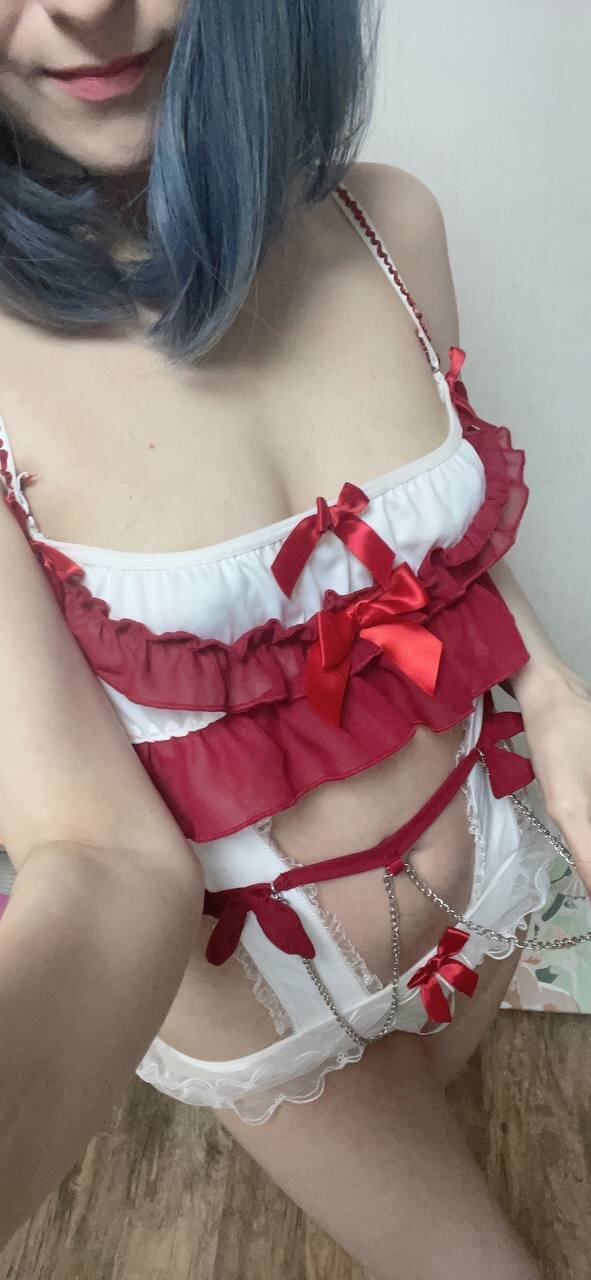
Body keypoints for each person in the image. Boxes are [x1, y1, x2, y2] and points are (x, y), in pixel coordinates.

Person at [0, 1, 589, 1275]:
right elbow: (93, 855)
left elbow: (445, 550)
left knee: (441, 1124)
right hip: (260, 980)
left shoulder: (390, 223)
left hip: (494, 875)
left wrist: (554, 693)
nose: (84, 7)